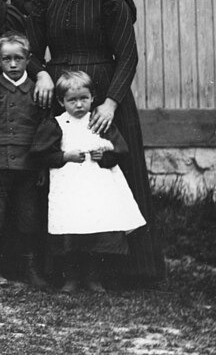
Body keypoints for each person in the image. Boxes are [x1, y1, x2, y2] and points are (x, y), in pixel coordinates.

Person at [28, 0, 165, 285]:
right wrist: (41, 74)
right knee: (63, 175)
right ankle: (61, 267)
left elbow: (128, 57)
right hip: (60, 97)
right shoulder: (46, 2)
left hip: (104, 96)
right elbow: (32, 52)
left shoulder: (110, 1)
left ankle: (123, 269)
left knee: (112, 173)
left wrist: (111, 103)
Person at [30, 70, 147, 293]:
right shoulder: (57, 124)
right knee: (71, 229)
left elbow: (120, 151)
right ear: (61, 101)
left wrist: (104, 156)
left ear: (93, 97)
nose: (79, 105)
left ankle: (94, 277)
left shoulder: (99, 122)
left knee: (96, 228)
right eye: (72, 100)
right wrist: (64, 156)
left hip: (97, 187)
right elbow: (40, 154)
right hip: (69, 187)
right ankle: (71, 277)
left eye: (84, 98)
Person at [0, 32, 48, 289]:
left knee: (29, 218)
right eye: (7, 59)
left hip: (28, 166)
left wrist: (41, 166)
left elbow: (44, 131)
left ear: (28, 59)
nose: (13, 64)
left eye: (18, 58)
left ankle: (30, 268)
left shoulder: (36, 90)